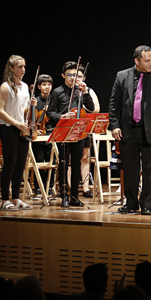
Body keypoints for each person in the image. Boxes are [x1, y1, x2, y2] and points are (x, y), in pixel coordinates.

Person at [108, 45, 151, 215]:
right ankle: (131, 203)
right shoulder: (122, 76)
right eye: (146, 60)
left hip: (150, 130)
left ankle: (147, 204)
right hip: (128, 131)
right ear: (136, 60)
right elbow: (113, 104)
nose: (150, 63)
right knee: (129, 169)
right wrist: (114, 125)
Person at [49, 61, 95, 207]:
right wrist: (61, 117)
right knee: (63, 163)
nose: (73, 78)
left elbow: (91, 107)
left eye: (75, 75)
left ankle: (74, 195)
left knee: (76, 163)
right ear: (63, 75)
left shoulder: (79, 90)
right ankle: (64, 196)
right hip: (63, 131)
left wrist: (86, 92)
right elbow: (49, 112)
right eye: (69, 75)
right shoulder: (57, 92)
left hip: (78, 132)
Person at [0, 55, 36, 211]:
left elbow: (24, 109)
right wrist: (16, 123)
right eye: (19, 66)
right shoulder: (6, 86)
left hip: (23, 128)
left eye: (24, 66)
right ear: (11, 68)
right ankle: (5, 199)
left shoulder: (25, 87)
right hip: (9, 128)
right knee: (10, 164)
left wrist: (33, 105)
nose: (23, 69)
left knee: (21, 164)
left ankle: (16, 197)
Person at [76, 66, 100, 199]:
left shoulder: (89, 91)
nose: (78, 79)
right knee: (69, 160)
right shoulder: (70, 92)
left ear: (84, 78)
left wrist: (84, 106)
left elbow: (96, 109)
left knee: (85, 157)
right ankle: (69, 187)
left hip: (85, 127)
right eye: (76, 76)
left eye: (80, 77)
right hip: (72, 127)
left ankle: (86, 188)